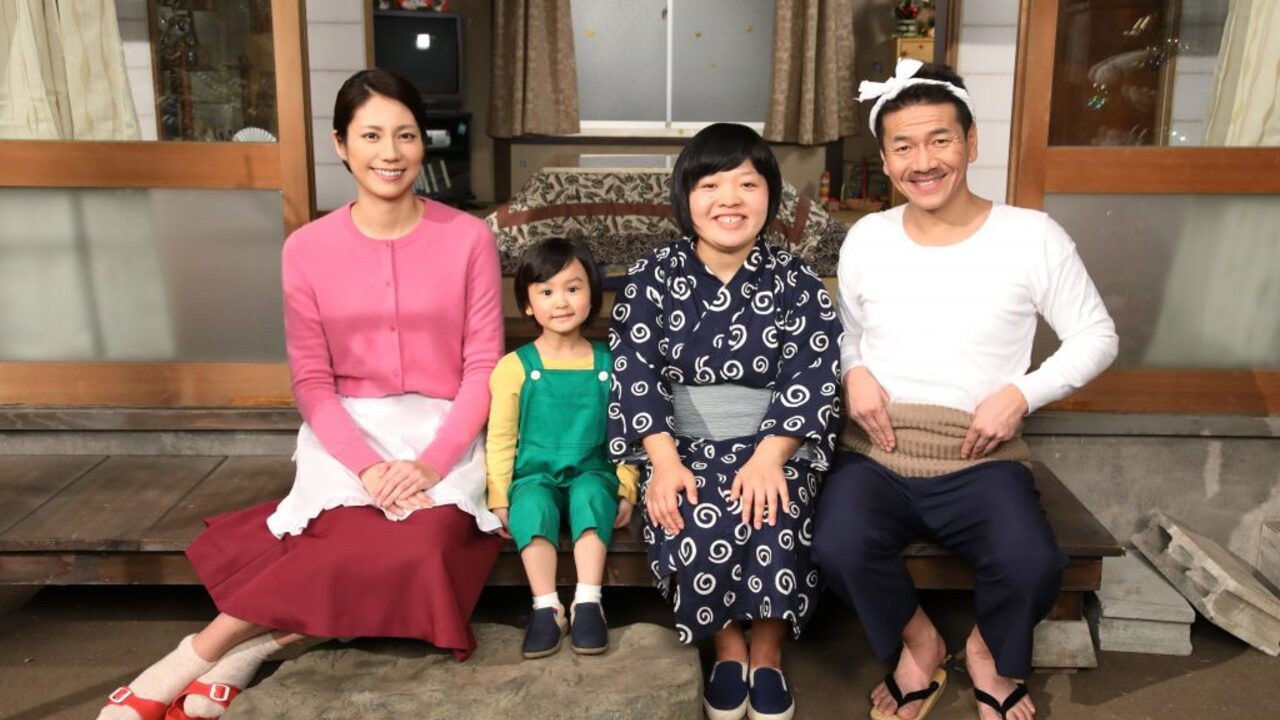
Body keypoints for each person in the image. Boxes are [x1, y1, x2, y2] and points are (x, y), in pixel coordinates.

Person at [98, 69, 505, 720]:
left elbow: (484, 365)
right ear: (341, 144)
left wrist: (432, 463)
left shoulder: (469, 238)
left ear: (423, 142)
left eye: (405, 135)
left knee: (422, 546)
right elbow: (312, 381)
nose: (390, 152)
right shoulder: (306, 249)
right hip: (348, 428)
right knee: (344, 541)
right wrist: (367, 467)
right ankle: (205, 656)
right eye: (371, 135)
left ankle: (228, 650)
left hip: (444, 427)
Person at [811, 60, 1119, 720]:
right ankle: (919, 642)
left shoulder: (1031, 236)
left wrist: (1021, 394)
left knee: (1032, 562)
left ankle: (986, 653)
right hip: (877, 451)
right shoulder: (868, 237)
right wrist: (852, 370)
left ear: (971, 142)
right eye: (903, 146)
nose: (923, 161)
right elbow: (847, 332)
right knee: (835, 544)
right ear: (886, 161)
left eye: (940, 140)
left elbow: (1097, 334)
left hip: (980, 455)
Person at [609, 123, 842, 720]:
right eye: (710, 185)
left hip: (775, 441)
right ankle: (728, 647)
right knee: (689, 509)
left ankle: (767, 652)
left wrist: (770, 457)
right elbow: (635, 372)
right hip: (680, 443)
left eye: (747, 183)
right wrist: (663, 463)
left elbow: (814, 371)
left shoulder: (797, 282)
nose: (729, 199)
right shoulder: (651, 277)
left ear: (770, 196)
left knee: (774, 510)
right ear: (685, 196)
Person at [485, 238, 639, 659]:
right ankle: (546, 606)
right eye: (547, 291)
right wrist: (499, 495)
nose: (561, 302)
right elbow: (501, 438)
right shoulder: (515, 367)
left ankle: (588, 601)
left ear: (593, 294)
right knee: (532, 506)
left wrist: (626, 486)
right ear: (527, 304)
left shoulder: (612, 364)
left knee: (592, 495)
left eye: (573, 288)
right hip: (535, 474)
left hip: (594, 471)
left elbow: (628, 432)